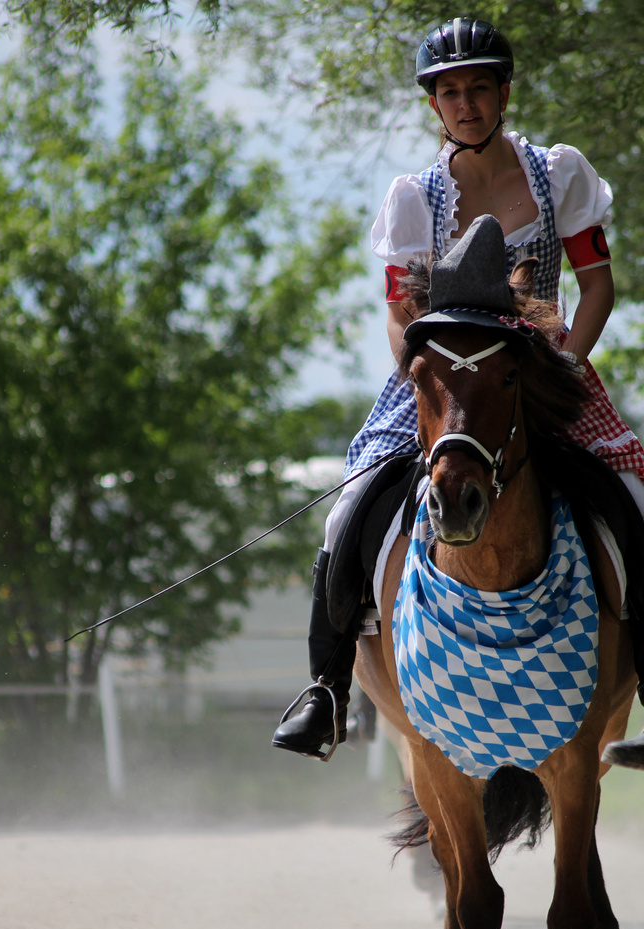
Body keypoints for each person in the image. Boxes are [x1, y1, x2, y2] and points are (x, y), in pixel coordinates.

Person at [272, 17, 644, 759]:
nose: (465, 103)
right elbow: (400, 313)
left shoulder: (558, 173)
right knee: (349, 506)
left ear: (503, 93)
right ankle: (327, 689)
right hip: (439, 381)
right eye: (450, 93)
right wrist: (419, 379)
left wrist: (563, 362)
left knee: (637, 496)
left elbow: (596, 286)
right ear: (434, 106)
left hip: (545, 371)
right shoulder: (414, 196)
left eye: (478, 88)